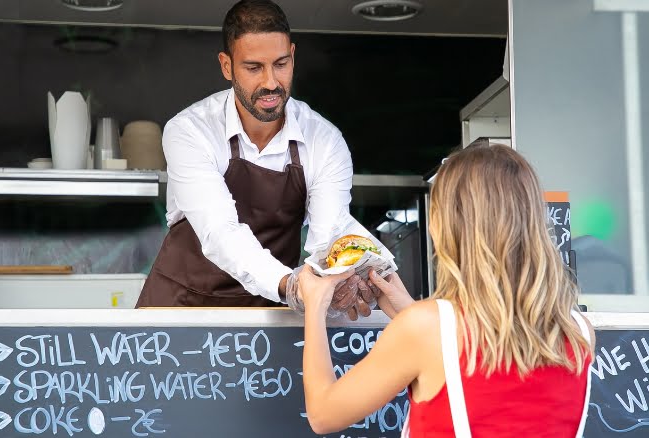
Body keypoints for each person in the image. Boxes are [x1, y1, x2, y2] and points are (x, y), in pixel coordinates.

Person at [299, 144, 596, 436]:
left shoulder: (423, 329)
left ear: (449, 227)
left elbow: (323, 415)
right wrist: (412, 311)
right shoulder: (579, 331)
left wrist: (314, 306)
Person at [135, 0, 385, 318]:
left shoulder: (324, 139)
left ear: (293, 56)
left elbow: (328, 235)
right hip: (180, 311)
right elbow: (220, 230)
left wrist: (340, 280)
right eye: (254, 68)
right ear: (227, 66)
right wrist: (289, 285)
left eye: (281, 64)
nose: (270, 83)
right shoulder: (190, 130)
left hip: (267, 319)